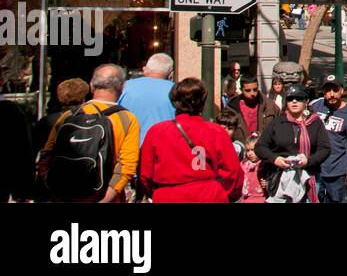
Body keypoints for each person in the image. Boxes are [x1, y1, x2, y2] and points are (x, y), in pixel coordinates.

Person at [36, 63, 140, 203]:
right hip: (103, 197)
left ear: (91, 85)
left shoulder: (68, 116)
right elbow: (126, 167)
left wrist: (56, 194)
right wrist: (104, 200)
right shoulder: (127, 119)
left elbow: (45, 156)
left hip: (62, 196)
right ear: (122, 88)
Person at [138, 78, 241, 203]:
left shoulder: (157, 132)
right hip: (208, 196)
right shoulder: (216, 132)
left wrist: (157, 193)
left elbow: (145, 175)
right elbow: (232, 173)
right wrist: (222, 193)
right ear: (203, 102)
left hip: (168, 196)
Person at [255, 83, 330, 203]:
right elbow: (260, 147)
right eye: (290, 99)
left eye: (299, 98)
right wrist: (275, 159)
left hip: (309, 177)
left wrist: (308, 161)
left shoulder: (315, 122)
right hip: (280, 178)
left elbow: (325, 149)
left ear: (306, 101)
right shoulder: (277, 123)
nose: (294, 101)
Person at [310, 75, 347, 203]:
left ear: (341, 91)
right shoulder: (315, 106)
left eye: (335, 90)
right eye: (327, 91)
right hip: (316, 169)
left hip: (338, 172)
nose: (331, 94)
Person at [119, 53, 176, 141]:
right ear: (170, 74)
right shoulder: (177, 90)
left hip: (130, 146)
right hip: (163, 146)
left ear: (144, 70)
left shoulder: (124, 87)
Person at [229, 75, 280, 142]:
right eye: (248, 91)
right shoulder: (232, 108)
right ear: (241, 90)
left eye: (255, 90)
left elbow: (279, 129)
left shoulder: (270, 106)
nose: (252, 93)